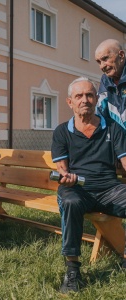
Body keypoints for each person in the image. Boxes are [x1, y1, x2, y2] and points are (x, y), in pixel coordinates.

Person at [51, 77, 126, 293]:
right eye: (79, 96)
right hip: (77, 189)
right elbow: (62, 169)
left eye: (90, 95)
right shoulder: (61, 132)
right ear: (70, 102)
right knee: (71, 202)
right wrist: (67, 177)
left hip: (109, 189)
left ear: (95, 99)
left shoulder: (113, 128)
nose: (85, 100)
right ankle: (72, 271)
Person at [95, 39, 126, 128]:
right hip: (117, 141)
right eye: (98, 62)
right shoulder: (105, 81)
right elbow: (101, 115)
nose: (102, 66)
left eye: (105, 58)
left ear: (121, 55)